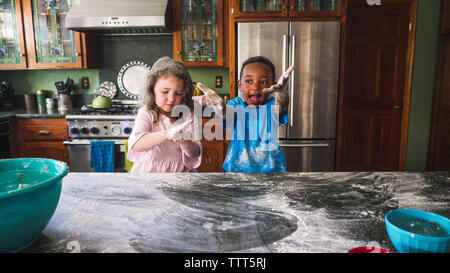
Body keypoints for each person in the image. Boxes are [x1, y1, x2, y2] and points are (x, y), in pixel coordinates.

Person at [194, 56, 294, 172]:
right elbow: (228, 114)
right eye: (249, 81)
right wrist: (220, 105)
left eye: (264, 82)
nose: (255, 87)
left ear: (273, 85)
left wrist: (282, 94)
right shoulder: (236, 104)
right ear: (239, 85)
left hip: (271, 171)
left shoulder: (272, 105)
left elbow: (280, 107)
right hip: (237, 170)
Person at [127, 57, 202, 173]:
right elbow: (136, 144)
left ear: (185, 94)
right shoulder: (146, 113)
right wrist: (167, 134)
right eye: (165, 92)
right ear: (152, 90)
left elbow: (195, 153)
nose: (171, 99)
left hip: (180, 177)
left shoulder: (188, 116)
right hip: (148, 178)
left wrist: (184, 142)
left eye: (178, 93)